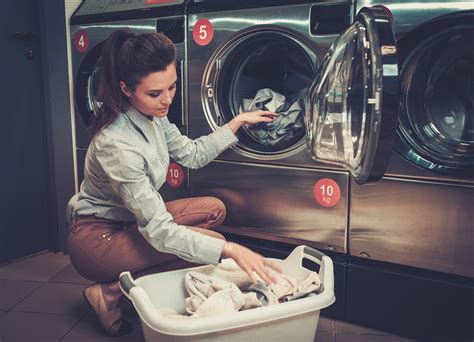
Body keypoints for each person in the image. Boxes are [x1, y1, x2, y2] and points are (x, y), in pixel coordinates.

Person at [66, 29, 281, 336]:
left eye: (172, 87)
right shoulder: (117, 145)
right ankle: (109, 292)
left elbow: (192, 154)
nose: (167, 100)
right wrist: (231, 250)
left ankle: (137, 278)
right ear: (126, 89)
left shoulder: (153, 116)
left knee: (214, 210)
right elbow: (159, 232)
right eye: (155, 93)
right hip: (97, 239)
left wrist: (237, 122)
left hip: (129, 223)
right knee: (213, 246)